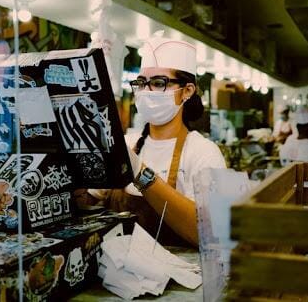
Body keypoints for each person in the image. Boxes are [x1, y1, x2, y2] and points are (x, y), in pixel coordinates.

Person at [79, 34, 226, 247]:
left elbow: (210, 235)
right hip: (113, 275)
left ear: (187, 91)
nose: (146, 92)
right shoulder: (128, 143)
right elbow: (86, 203)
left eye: (158, 83)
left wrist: (139, 171)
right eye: (141, 83)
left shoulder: (203, 153)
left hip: (177, 278)